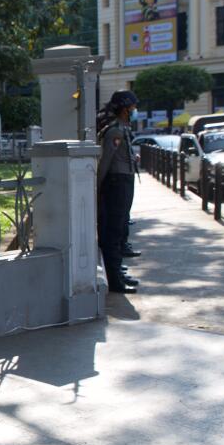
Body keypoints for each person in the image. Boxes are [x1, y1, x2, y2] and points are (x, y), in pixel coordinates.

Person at [96, 90, 140, 294]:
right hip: (115, 183)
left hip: (123, 181)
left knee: (120, 228)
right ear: (124, 109)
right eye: (132, 108)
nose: (134, 111)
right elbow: (105, 162)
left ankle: (118, 274)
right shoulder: (114, 131)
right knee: (112, 232)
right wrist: (97, 188)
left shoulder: (123, 128)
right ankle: (115, 281)